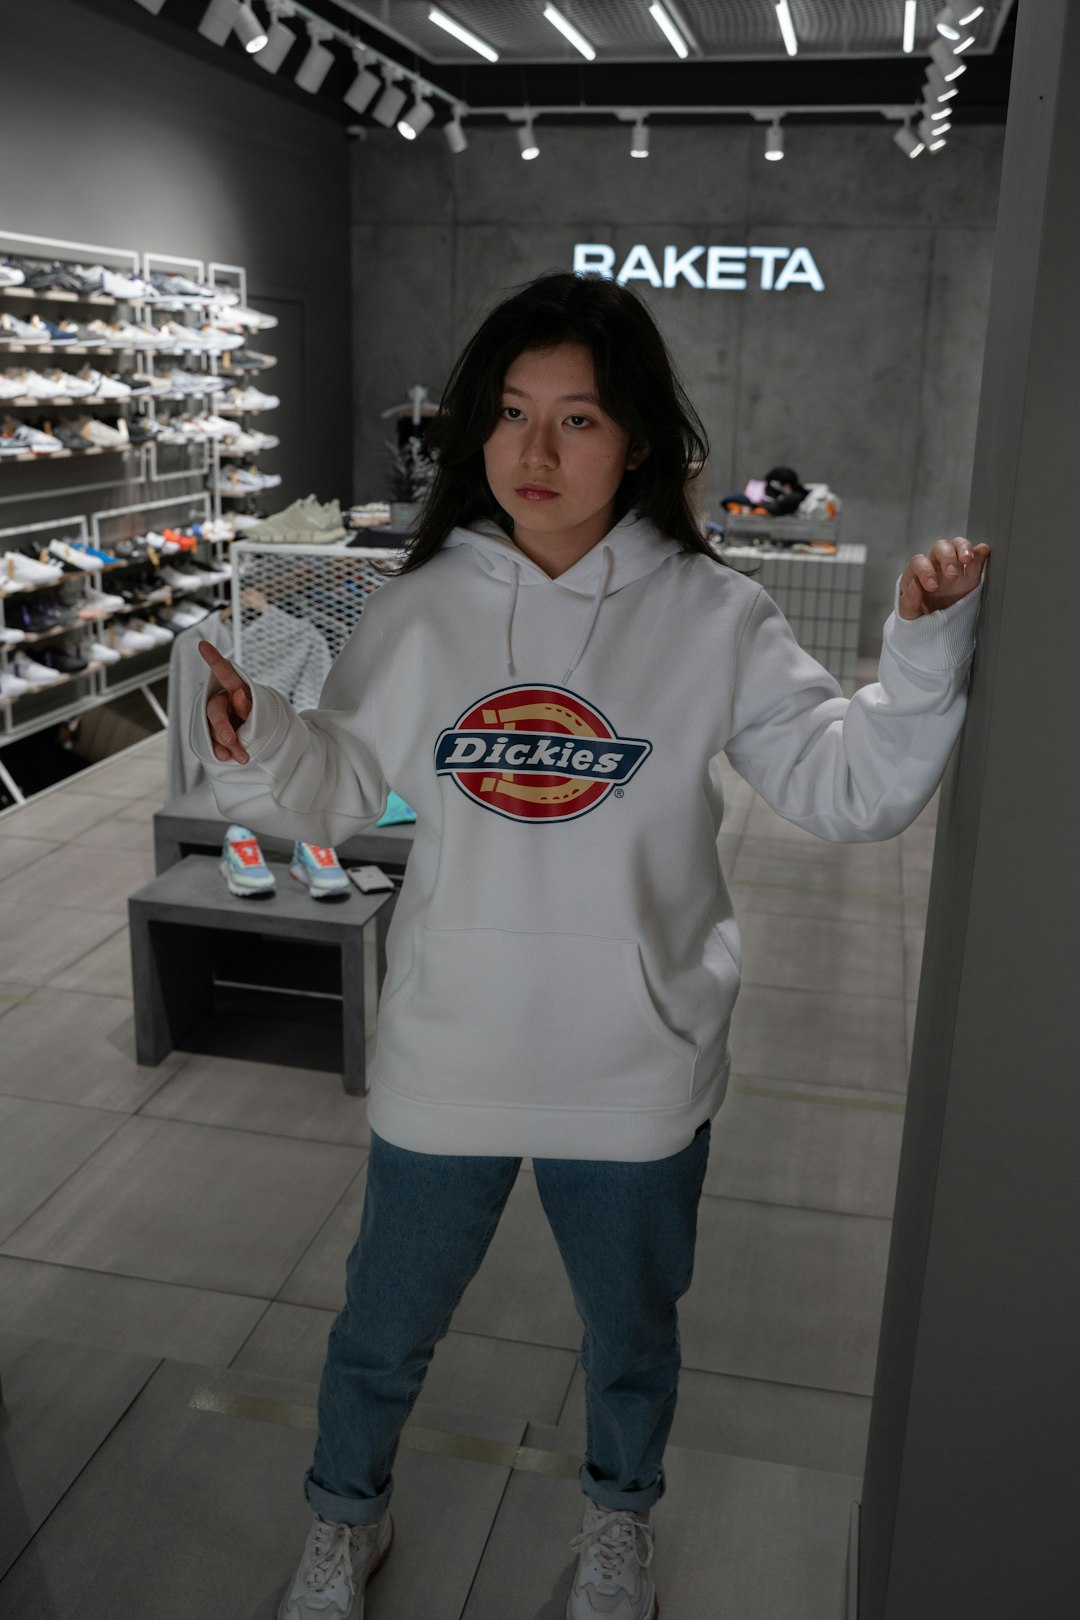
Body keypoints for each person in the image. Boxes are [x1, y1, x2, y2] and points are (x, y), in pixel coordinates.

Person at [191, 269, 990, 1620]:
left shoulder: (711, 614)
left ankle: (621, 1523)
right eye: (509, 414)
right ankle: (345, 1519)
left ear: (640, 443)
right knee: (382, 1331)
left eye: (577, 419)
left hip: (637, 1063)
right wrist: (257, 735)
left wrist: (918, 652)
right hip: (453, 1044)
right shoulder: (423, 604)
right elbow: (331, 788)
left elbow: (854, 789)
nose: (535, 451)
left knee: (631, 1339)